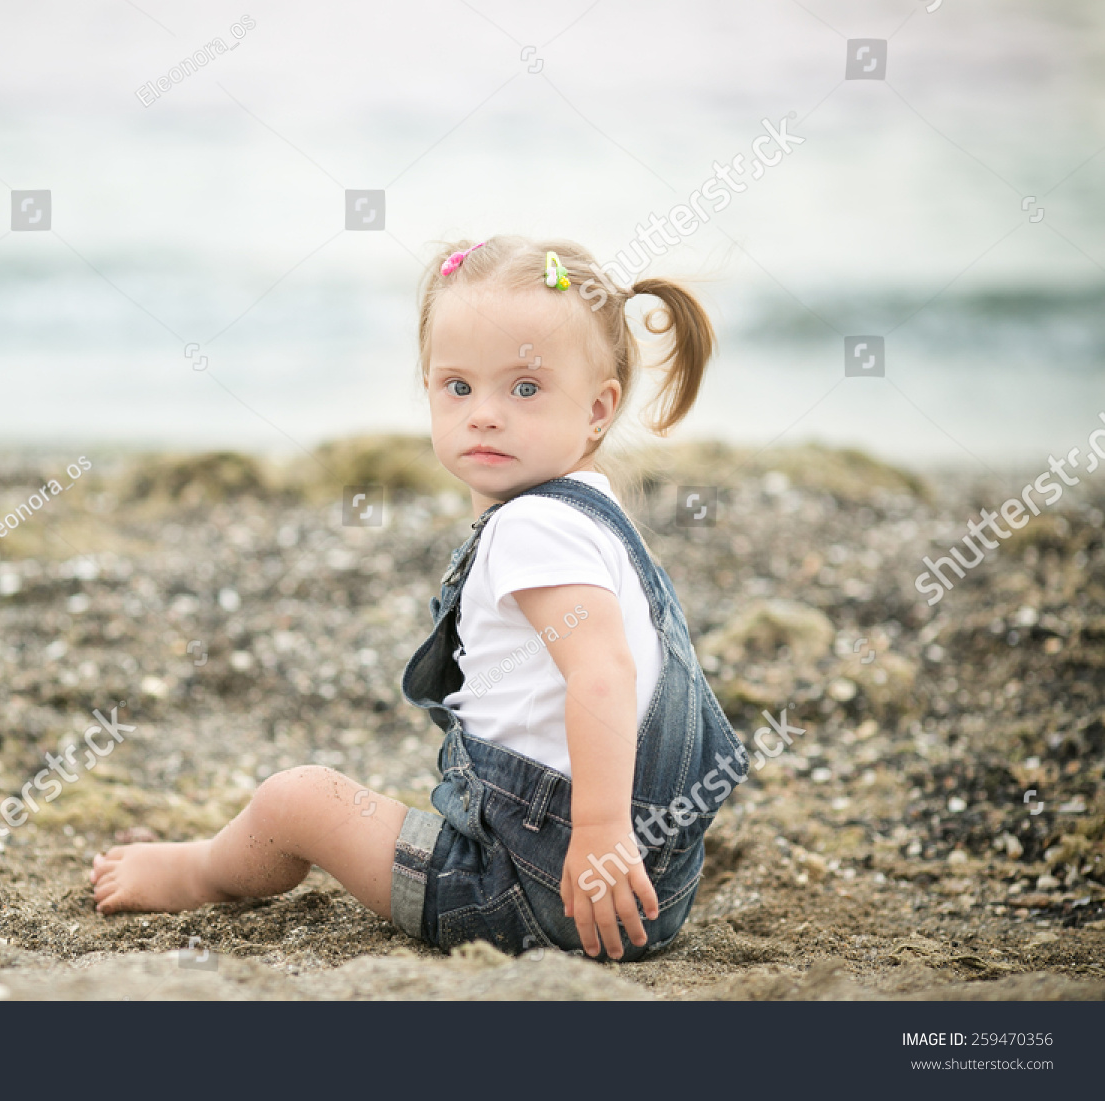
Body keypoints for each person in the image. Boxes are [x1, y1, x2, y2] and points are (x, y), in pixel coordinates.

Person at [89, 235, 748, 961]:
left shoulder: (533, 528)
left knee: (297, 799)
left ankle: (197, 870)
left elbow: (603, 674)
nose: (485, 413)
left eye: (525, 388)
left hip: (540, 887)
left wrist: (596, 833)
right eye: (458, 386)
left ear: (598, 410)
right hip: (647, 892)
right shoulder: (593, 516)